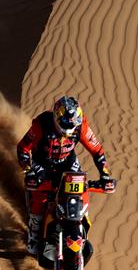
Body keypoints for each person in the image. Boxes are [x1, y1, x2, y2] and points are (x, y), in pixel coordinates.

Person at [16, 95, 116, 255]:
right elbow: (23, 148)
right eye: (66, 124)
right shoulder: (41, 124)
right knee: (40, 199)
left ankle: (80, 227)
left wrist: (105, 175)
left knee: (81, 193)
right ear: (56, 118)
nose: (70, 128)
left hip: (68, 163)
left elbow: (97, 150)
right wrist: (29, 171)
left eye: (73, 124)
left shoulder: (81, 126)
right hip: (42, 163)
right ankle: (34, 234)